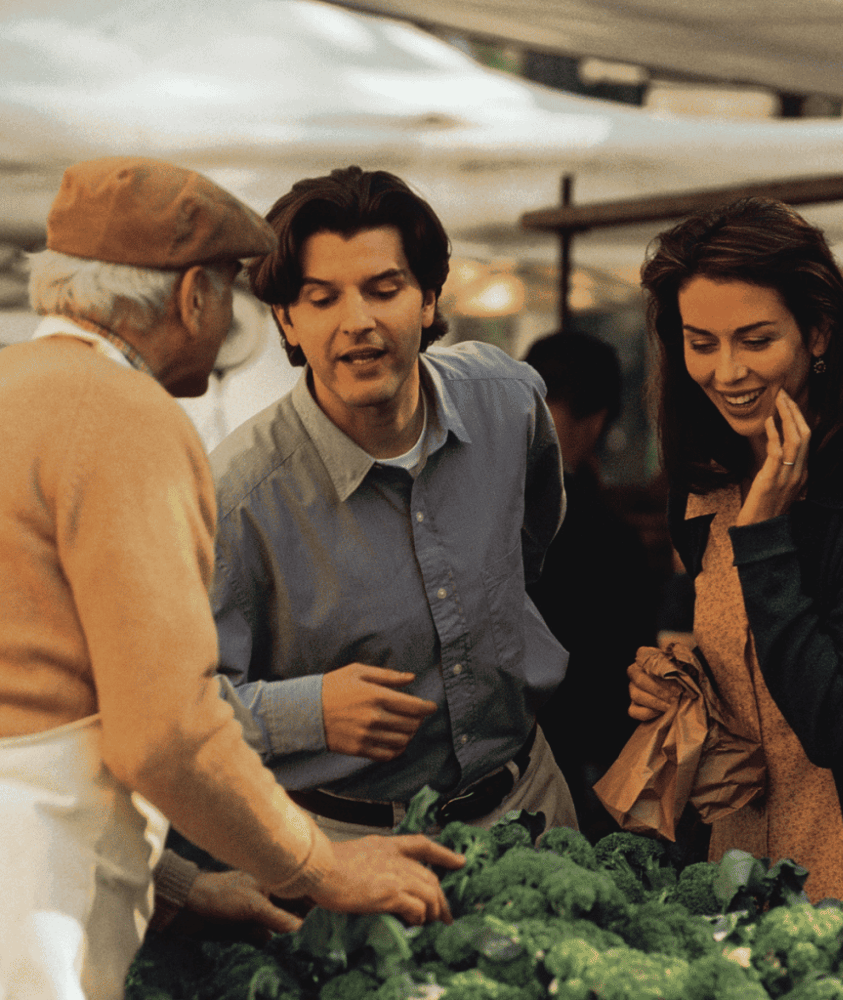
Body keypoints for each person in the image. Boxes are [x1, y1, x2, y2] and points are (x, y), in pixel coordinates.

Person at [0, 157, 463, 1000]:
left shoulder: (9, 386)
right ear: (193, 298)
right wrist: (321, 867)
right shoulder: (128, 416)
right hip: (31, 898)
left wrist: (183, 887)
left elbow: (38, 688)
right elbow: (165, 733)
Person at [209, 166, 577, 844]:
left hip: (533, 808)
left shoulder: (508, 400)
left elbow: (528, 549)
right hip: (350, 842)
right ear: (286, 319)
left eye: (385, 289)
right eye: (322, 299)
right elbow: (177, 709)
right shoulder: (236, 498)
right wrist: (309, 711)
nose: (359, 322)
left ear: (429, 299)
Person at [630, 196, 843, 904]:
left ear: (818, 334)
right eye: (702, 342)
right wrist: (679, 684)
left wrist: (764, 538)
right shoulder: (706, 487)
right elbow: (744, 664)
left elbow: (835, 724)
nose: (726, 371)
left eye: (756, 340)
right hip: (743, 855)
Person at [522, 331, 655, 840]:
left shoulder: (468, 499)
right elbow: (620, 687)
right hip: (564, 776)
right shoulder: (606, 536)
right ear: (598, 421)